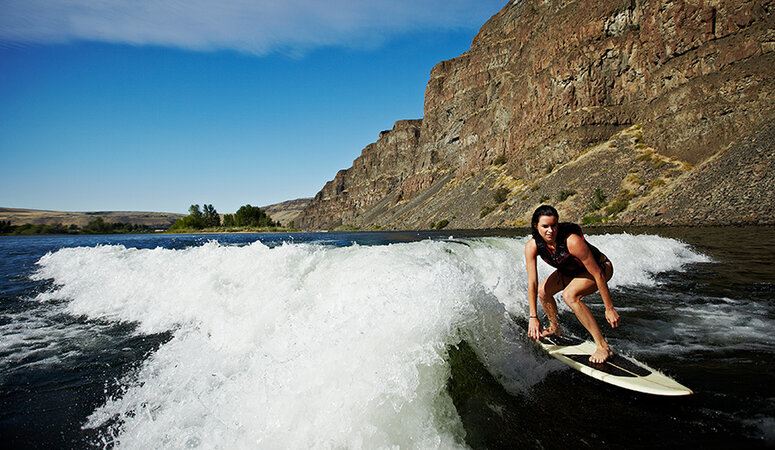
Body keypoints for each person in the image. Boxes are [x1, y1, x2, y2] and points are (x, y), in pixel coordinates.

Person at [524, 205, 620, 363]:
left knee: (569, 296)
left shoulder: (572, 241)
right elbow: (532, 282)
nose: (550, 230)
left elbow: (598, 273)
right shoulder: (532, 246)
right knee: (543, 291)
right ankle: (555, 328)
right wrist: (533, 317)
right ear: (536, 226)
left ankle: (603, 346)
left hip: (601, 268)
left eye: (553, 225)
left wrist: (609, 308)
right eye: (545, 226)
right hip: (570, 271)